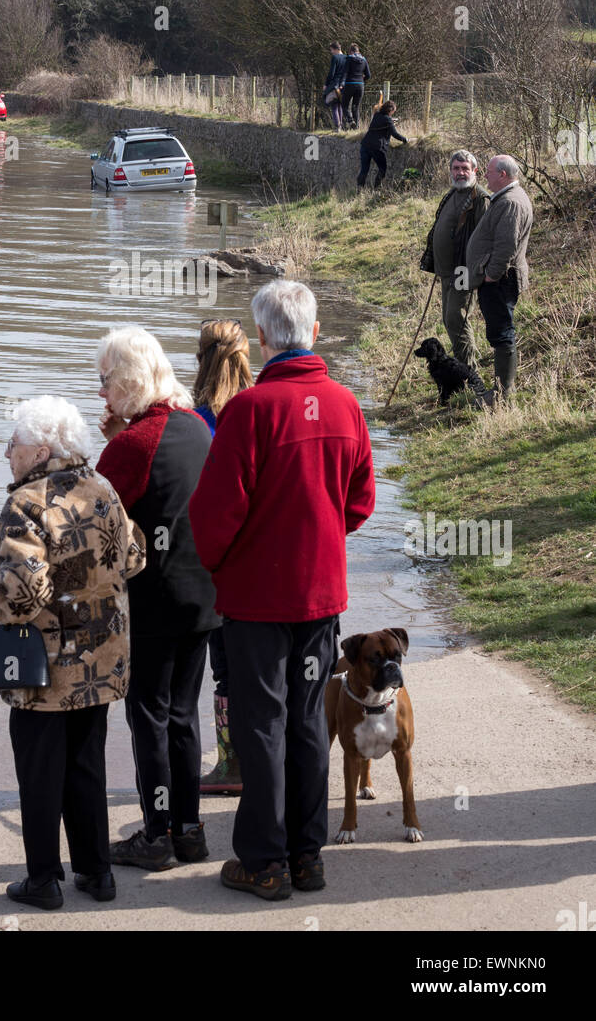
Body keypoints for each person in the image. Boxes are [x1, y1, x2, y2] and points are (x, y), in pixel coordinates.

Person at [189, 280, 375, 901]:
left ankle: (264, 860)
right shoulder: (347, 405)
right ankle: (306, 855)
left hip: (256, 599)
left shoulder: (247, 411)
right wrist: (320, 532)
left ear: (265, 338)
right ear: (315, 332)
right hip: (320, 593)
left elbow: (215, 516)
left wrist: (219, 569)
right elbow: (360, 504)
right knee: (306, 720)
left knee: (260, 723)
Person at [0, 396, 145, 911]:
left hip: (46, 667)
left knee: (39, 771)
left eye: (15, 443)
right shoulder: (103, 489)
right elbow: (136, 556)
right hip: (101, 659)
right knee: (86, 763)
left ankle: (43, 880)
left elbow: (23, 593)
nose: (8, 452)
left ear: (39, 451)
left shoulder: (26, 504)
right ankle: (97, 873)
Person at [95, 326, 220, 871]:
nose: (100, 393)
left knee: (148, 716)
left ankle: (156, 835)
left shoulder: (130, 446)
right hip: (205, 597)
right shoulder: (197, 428)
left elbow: (90, 513)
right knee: (183, 714)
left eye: (104, 382)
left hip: (152, 603)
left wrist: (110, 440)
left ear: (125, 381)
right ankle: (189, 830)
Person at [192, 319, 253, 796]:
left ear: (199, 360)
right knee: (270, 668)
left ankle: (231, 766)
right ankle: (272, 757)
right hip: (264, 561)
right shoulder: (260, 408)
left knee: (226, 670)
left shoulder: (194, 423)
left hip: (213, 567)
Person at [465, 155, 533, 402]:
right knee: (499, 331)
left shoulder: (511, 203)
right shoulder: (506, 199)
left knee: (502, 332)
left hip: (501, 280)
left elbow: (506, 246)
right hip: (499, 278)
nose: (485, 176)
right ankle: (501, 391)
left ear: (503, 175)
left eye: (490, 172)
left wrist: (491, 275)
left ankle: (502, 394)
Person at [421, 150, 491, 371]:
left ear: (474, 171)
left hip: (463, 270)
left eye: (465, 169)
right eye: (456, 168)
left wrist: (476, 269)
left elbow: (485, 236)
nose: (460, 173)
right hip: (446, 270)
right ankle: (462, 367)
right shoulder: (452, 194)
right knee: (448, 318)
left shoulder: (480, 198)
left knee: (455, 317)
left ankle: (469, 371)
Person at [356, 99, 408, 190]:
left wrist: (391, 121)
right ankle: (376, 189)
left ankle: (359, 190)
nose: (393, 113)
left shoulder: (376, 115)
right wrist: (405, 139)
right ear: (390, 110)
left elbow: (382, 121)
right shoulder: (388, 120)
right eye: (393, 111)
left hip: (365, 145)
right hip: (376, 148)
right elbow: (395, 134)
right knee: (382, 169)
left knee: (364, 170)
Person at [339, 44, 371, 129]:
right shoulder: (364, 60)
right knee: (355, 107)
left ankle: (350, 120)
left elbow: (345, 72)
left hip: (349, 84)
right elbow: (368, 75)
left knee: (344, 105)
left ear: (351, 51)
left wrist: (342, 83)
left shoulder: (349, 59)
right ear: (358, 51)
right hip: (360, 85)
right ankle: (356, 127)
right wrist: (361, 79)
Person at [322, 41, 348, 131]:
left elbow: (331, 73)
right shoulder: (347, 58)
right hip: (344, 85)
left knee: (334, 105)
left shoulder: (335, 58)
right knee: (340, 105)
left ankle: (337, 127)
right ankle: (340, 126)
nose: (331, 52)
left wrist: (326, 84)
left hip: (335, 84)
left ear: (336, 49)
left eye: (332, 50)